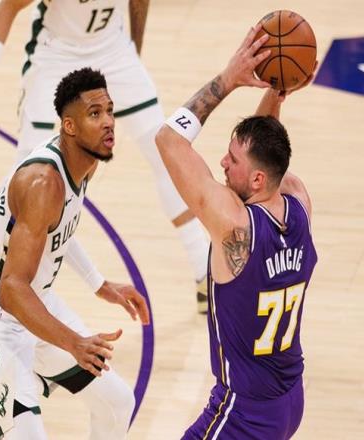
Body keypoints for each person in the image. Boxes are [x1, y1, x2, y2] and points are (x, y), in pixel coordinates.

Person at [0, 0, 210, 313]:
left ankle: (203, 270)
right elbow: (8, 7)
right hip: (55, 55)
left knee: (163, 152)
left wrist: (133, 51)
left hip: (113, 50)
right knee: (28, 175)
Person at [0, 68, 150, 440]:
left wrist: (99, 284)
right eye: (95, 114)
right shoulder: (43, 183)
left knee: (117, 403)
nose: (108, 122)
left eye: (109, 110)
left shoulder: (83, 162)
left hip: (33, 303)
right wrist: (74, 342)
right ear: (69, 126)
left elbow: (59, 230)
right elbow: (11, 290)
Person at [155, 24, 318, 439]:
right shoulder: (299, 202)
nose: (222, 164)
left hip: (243, 413)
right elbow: (267, 147)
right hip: (289, 400)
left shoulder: (234, 226)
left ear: (258, 179)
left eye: (231, 160)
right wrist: (277, 90)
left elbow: (169, 140)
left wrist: (229, 79)